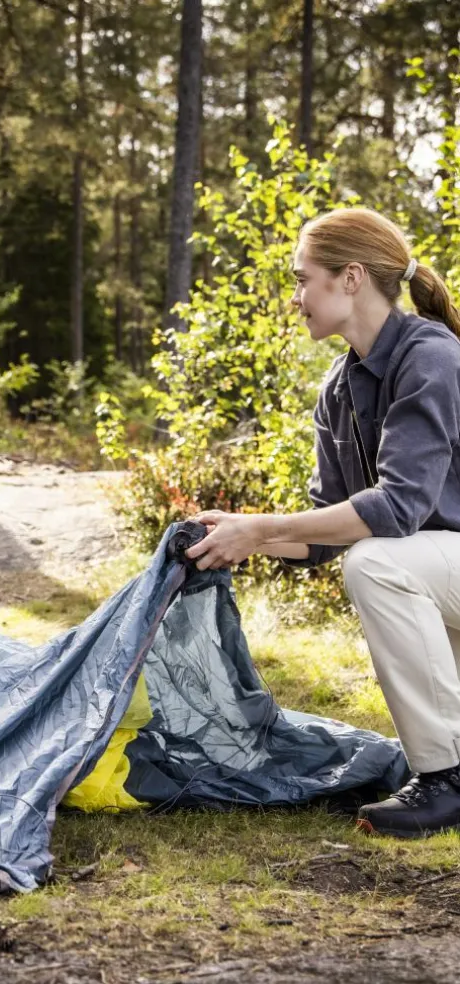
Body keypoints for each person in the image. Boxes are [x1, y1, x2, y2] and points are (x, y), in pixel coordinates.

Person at [184, 206, 460, 839]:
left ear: (352, 278)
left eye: (303, 278)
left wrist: (259, 528)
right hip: (447, 578)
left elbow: (396, 509)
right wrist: (236, 537)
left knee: (377, 562)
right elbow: (316, 541)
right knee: (375, 559)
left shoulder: (431, 357)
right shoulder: (338, 389)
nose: (295, 296)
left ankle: (447, 779)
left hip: (445, 572)